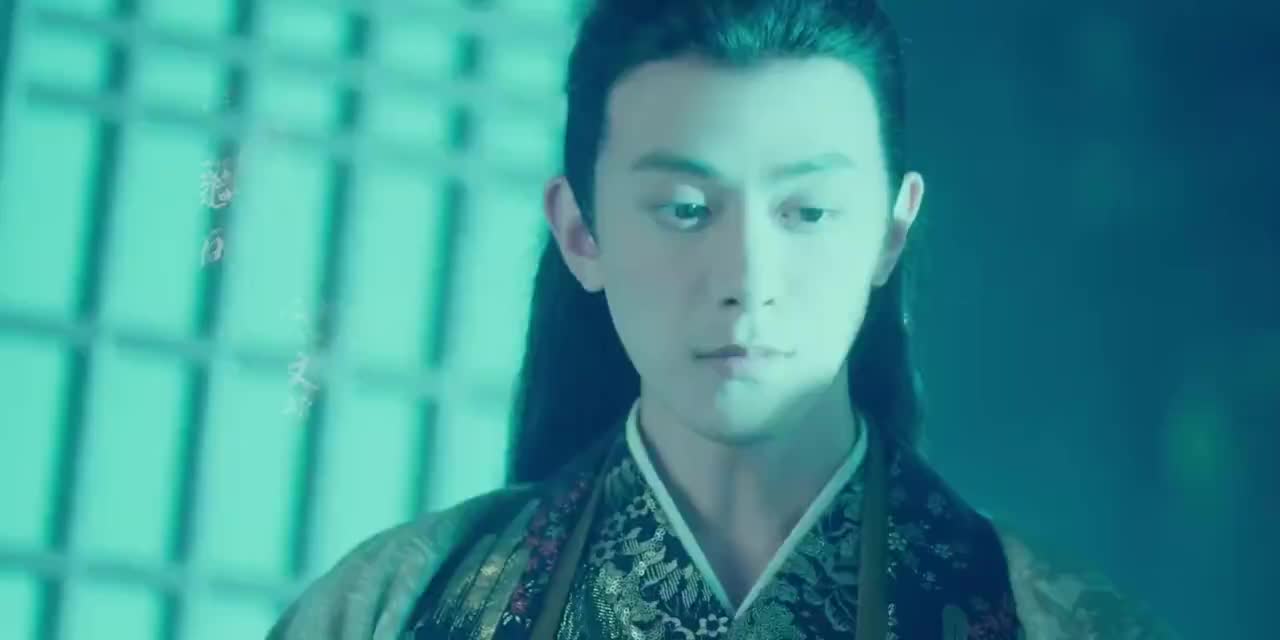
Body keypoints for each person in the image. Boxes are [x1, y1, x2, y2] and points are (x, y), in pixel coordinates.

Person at [266, 0, 1178, 638]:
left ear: (890, 233)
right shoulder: (394, 606)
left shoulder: (1058, 620)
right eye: (686, 209)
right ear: (581, 231)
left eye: (807, 212)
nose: (746, 280)